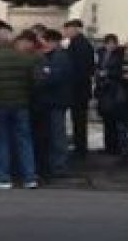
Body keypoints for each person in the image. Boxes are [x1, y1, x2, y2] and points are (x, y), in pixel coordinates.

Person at [0, 29, 39, 189]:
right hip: (21, 105)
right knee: (25, 140)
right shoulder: (24, 58)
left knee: (1, 140)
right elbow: (34, 82)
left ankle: (3, 177)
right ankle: (29, 177)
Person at [32, 29, 74, 179]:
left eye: (43, 40)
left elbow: (53, 77)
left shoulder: (60, 57)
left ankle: (59, 165)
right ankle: (54, 164)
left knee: (57, 135)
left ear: (51, 41)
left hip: (55, 101)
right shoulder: (49, 56)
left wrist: (43, 75)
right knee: (52, 134)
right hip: (50, 101)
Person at [63, 19, 95, 160]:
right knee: (78, 119)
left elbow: (79, 68)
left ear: (76, 29)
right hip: (80, 88)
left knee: (79, 119)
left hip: (78, 89)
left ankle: (80, 148)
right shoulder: (80, 43)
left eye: (68, 29)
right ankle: (80, 146)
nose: (66, 32)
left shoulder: (79, 44)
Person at [95, 34, 122, 155]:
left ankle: (115, 146)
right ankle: (108, 145)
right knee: (106, 118)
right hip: (103, 89)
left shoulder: (119, 55)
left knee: (113, 119)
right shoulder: (101, 54)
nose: (110, 45)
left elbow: (119, 71)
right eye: (108, 43)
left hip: (113, 89)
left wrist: (107, 73)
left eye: (113, 43)